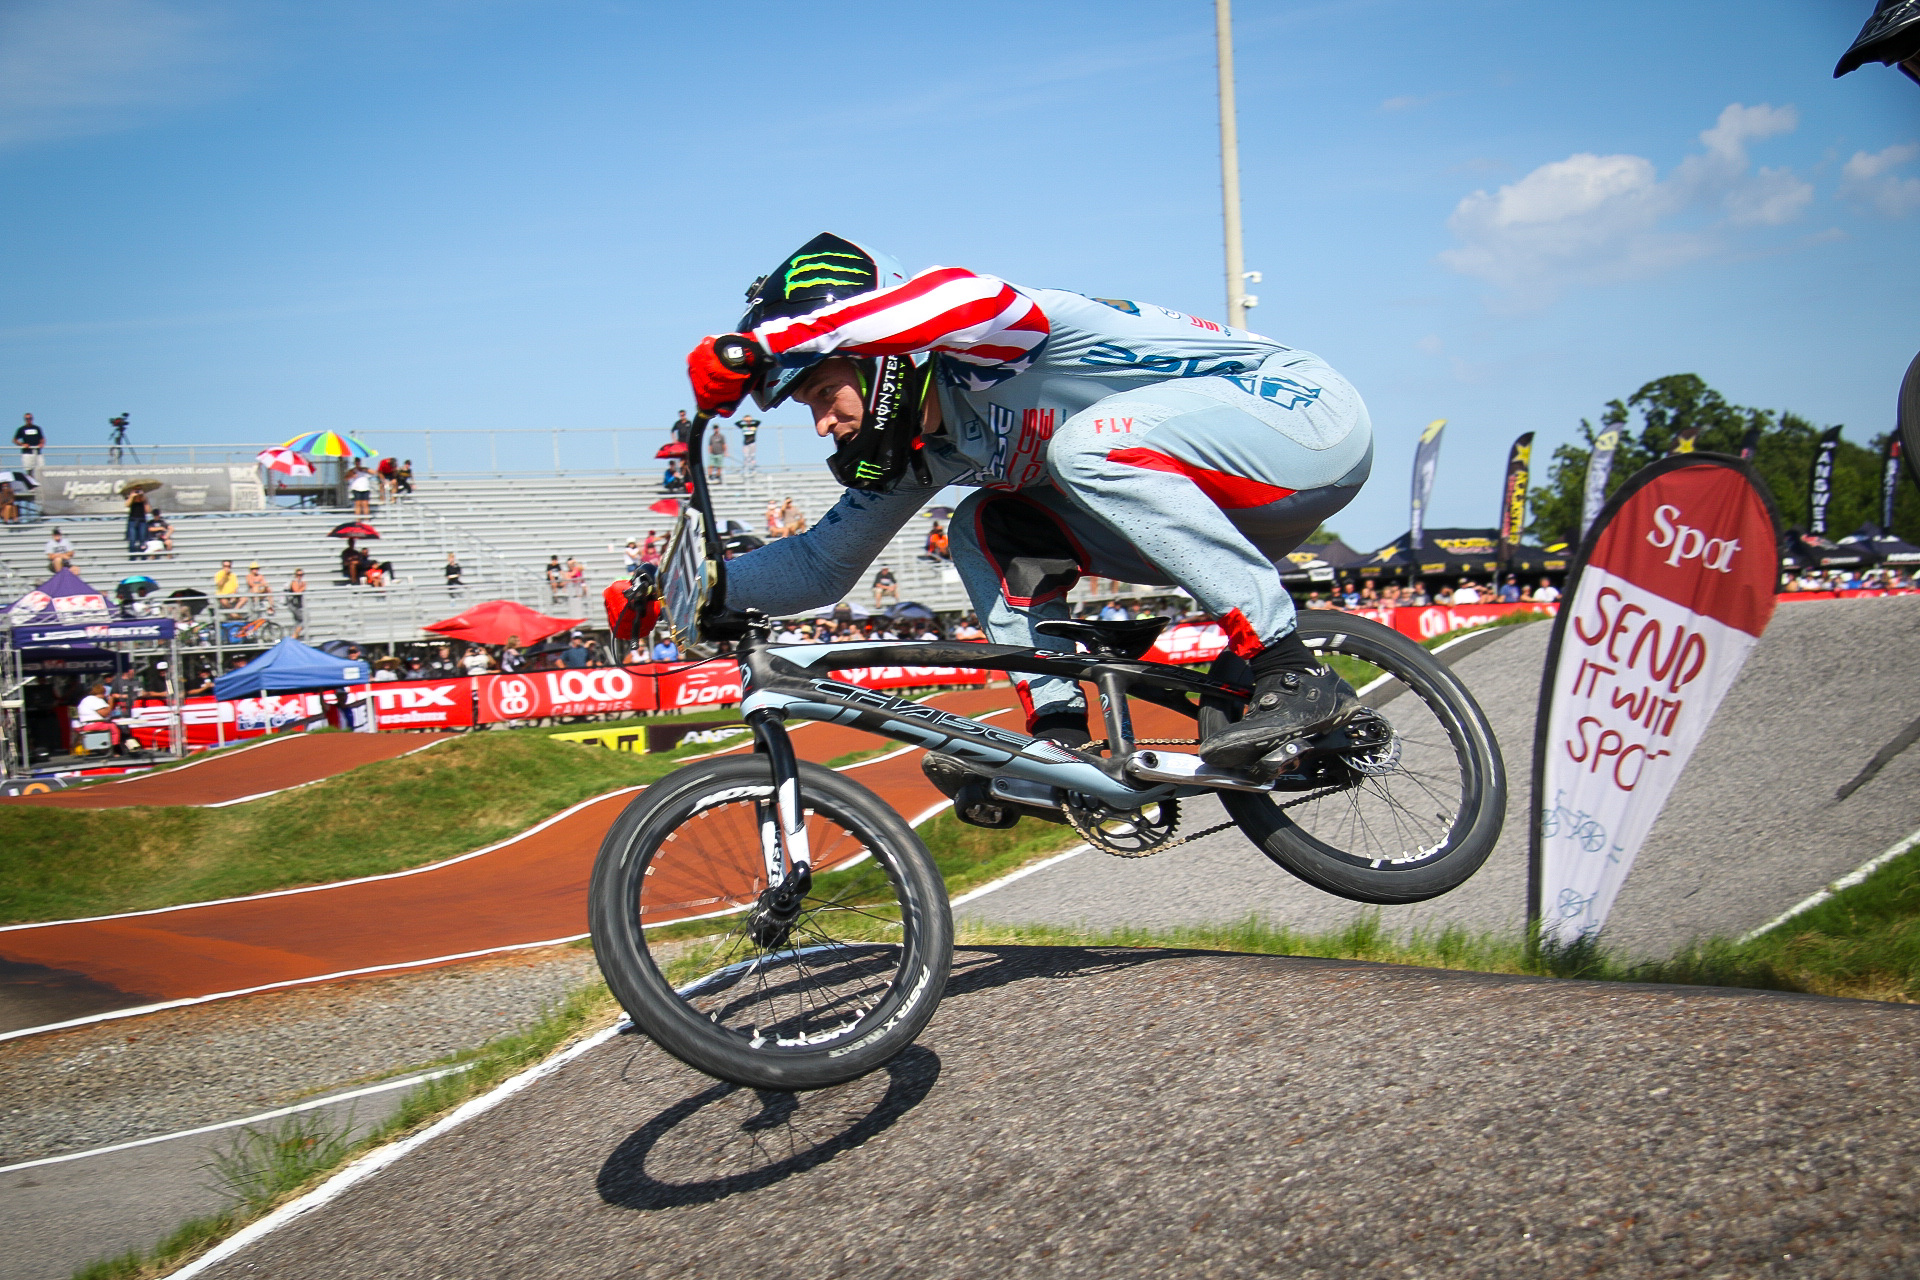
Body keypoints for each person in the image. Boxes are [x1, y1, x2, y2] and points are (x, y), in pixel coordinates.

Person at [685, 234, 1373, 767]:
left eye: (823, 394)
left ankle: (1292, 670)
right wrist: (685, 593)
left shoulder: (992, 344)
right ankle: (1060, 744)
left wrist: (763, 344)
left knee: (1086, 447)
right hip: (1213, 508)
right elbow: (818, 566)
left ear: (876, 358)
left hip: (1305, 424)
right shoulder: (937, 443)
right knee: (982, 524)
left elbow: (961, 293)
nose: (824, 425)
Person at [123, 485, 150, 557]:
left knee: (142, 539)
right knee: (132, 539)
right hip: (133, 520)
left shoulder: (144, 499)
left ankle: (143, 556)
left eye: (139, 489)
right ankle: (132, 557)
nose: (138, 491)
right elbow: (127, 505)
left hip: (142, 520)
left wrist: (145, 501)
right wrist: (132, 496)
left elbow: (148, 510)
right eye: (136, 490)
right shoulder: (131, 497)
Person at [286, 568, 307, 636]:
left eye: (301, 575)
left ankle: (294, 636)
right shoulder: (294, 582)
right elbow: (296, 591)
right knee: (302, 621)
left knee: (298, 622)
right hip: (293, 604)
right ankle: (293, 637)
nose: (300, 576)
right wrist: (303, 587)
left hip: (297, 604)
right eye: (298, 575)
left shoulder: (300, 582)